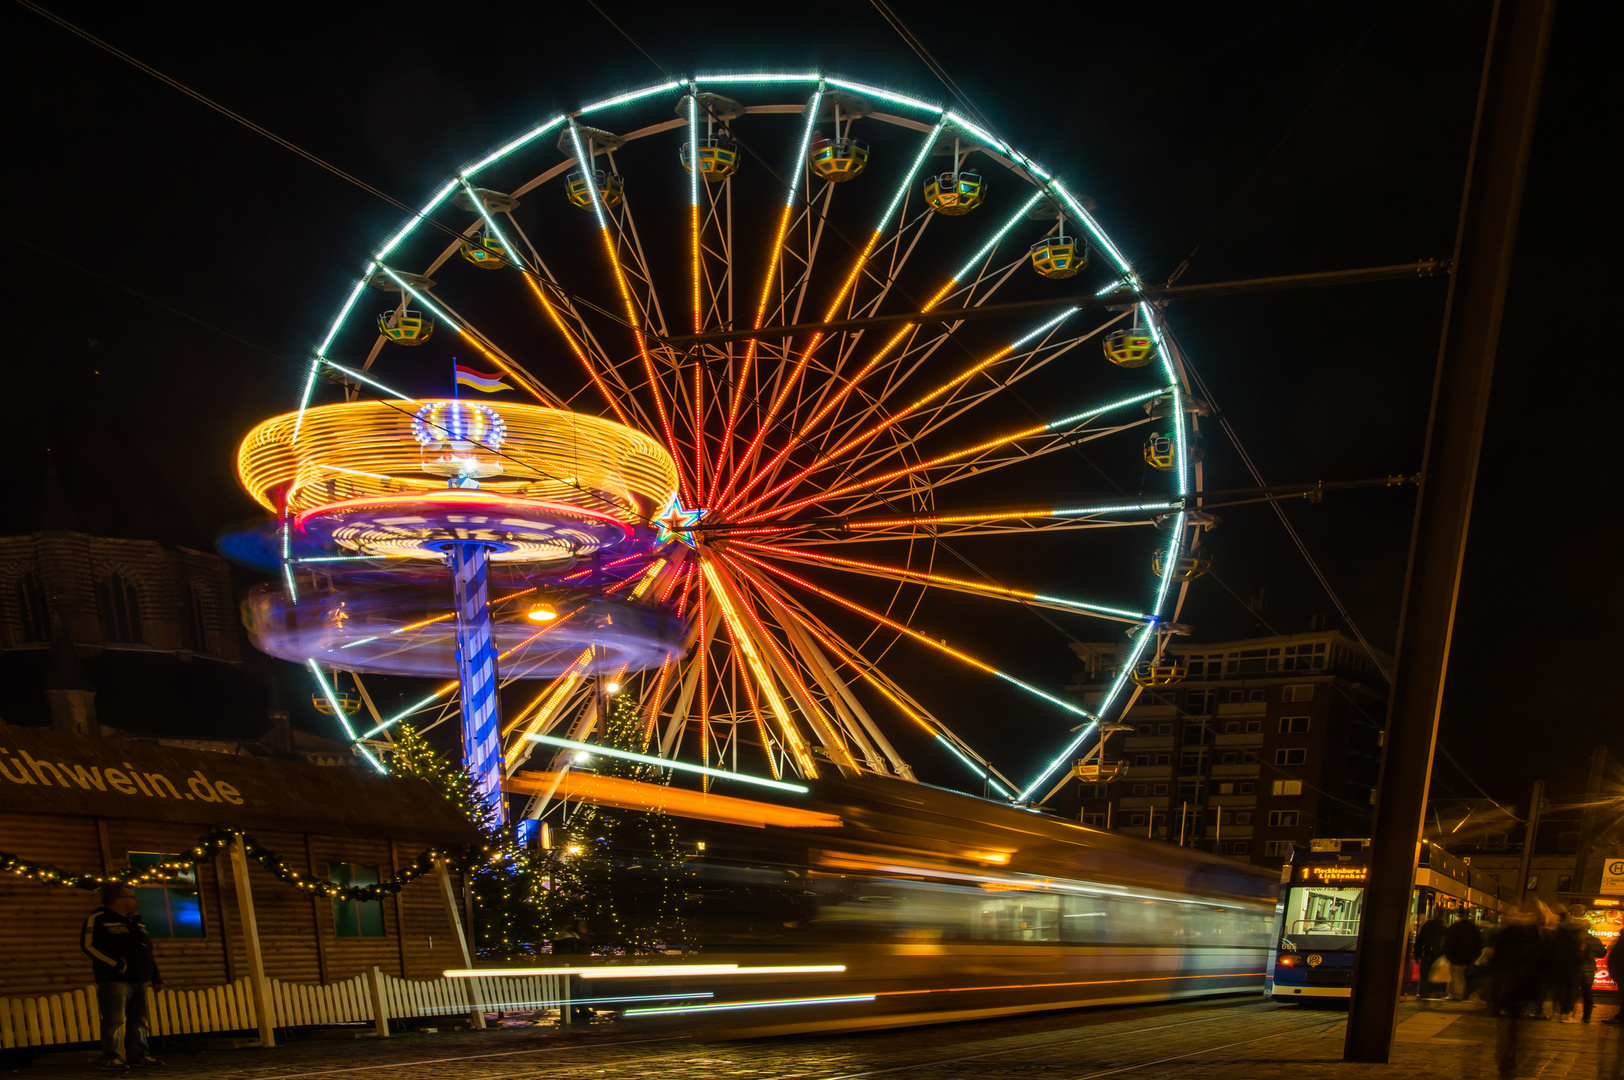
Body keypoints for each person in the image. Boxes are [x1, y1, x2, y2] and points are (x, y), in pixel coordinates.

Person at [81, 883, 164, 1069]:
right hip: (115, 979)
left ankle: (139, 1054)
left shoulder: (135, 922)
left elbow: (147, 952)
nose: (134, 901)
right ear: (117, 899)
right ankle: (111, 1056)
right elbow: (89, 945)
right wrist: (117, 965)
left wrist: (155, 976)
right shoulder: (100, 919)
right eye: (130, 896)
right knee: (114, 1019)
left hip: (139, 978)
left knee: (140, 1019)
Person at [1443, 913, 1484, 1002]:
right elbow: (1479, 943)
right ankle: (1462, 993)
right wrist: (1475, 956)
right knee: (1463, 976)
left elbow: (1448, 942)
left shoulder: (1454, 928)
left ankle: (1457, 995)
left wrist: (1446, 953)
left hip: (1455, 956)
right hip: (1468, 957)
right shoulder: (1474, 929)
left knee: (1456, 976)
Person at [1415, 914, 1448, 999]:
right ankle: (1435, 991)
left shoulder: (1427, 927)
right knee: (1436, 972)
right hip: (1439, 955)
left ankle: (1423, 991)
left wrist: (1417, 954)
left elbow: (1420, 941)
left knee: (1425, 974)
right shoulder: (1444, 929)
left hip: (1427, 953)